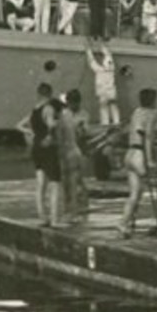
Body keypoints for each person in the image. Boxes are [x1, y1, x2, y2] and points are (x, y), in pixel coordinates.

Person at [117, 87, 157, 238]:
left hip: (129, 153)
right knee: (138, 194)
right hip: (140, 153)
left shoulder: (136, 112)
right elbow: (147, 138)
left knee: (135, 193)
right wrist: (151, 159)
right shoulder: (151, 114)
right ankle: (123, 222)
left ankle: (128, 223)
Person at [18, 83, 58, 225]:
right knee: (54, 184)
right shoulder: (48, 109)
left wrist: (32, 133)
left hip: (36, 147)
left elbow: (19, 125)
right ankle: (54, 219)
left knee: (40, 185)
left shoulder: (34, 110)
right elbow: (51, 125)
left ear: (38, 94)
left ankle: (42, 217)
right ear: (50, 94)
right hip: (48, 148)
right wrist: (51, 133)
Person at [53, 90, 88, 224]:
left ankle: (73, 211)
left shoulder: (65, 116)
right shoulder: (66, 116)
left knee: (73, 183)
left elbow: (63, 138)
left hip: (71, 151)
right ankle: (74, 210)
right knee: (72, 183)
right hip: (72, 151)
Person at [85, 41, 120, 126]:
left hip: (103, 92)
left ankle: (105, 124)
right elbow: (109, 56)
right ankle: (117, 122)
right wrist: (103, 47)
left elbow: (91, 61)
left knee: (103, 109)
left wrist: (88, 51)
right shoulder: (111, 69)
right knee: (113, 107)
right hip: (111, 91)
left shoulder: (99, 70)